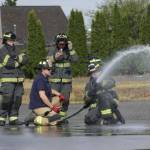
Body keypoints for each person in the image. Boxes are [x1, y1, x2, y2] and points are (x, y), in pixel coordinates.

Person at [84, 58, 125, 125]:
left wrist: (101, 85)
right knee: (88, 119)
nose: (94, 74)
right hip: (96, 107)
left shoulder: (107, 79)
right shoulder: (89, 85)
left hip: (109, 104)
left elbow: (111, 82)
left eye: (96, 71)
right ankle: (103, 122)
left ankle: (109, 119)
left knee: (102, 96)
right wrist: (90, 93)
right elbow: (86, 100)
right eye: (92, 73)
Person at [0, 31, 28, 126]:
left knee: (17, 99)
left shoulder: (17, 49)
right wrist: (19, 61)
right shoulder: (2, 49)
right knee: (6, 100)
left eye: (13, 39)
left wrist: (17, 58)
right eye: (9, 40)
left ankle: (13, 118)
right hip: (7, 79)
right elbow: (8, 62)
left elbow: (25, 58)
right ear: (5, 40)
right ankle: (1, 118)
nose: (12, 41)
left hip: (18, 79)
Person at [47, 33, 78, 118]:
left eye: (63, 42)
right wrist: (54, 58)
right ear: (57, 43)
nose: (62, 44)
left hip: (66, 81)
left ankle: (62, 116)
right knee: (54, 99)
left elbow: (75, 59)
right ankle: (53, 116)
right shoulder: (52, 50)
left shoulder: (69, 50)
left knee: (65, 99)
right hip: (54, 81)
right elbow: (47, 62)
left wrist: (71, 49)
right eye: (60, 42)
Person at [28, 60, 65, 126]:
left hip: (43, 104)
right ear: (43, 69)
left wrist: (59, 94)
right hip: (39, 106)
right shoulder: (40, 79)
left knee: (58, 99)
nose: (51, 70)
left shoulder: (44, 78)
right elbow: (42, 96)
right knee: (55, 120)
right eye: (48, 69)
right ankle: (34, 119)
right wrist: (52, 107)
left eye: (51, 69)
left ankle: (47, 114)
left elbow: (49, 90)